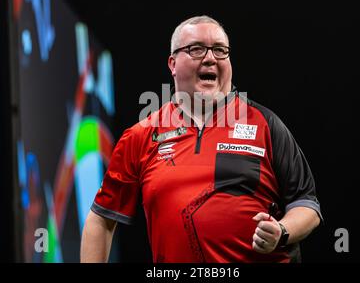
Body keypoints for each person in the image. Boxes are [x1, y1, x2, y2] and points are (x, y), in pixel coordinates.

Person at [80, 15, 322, 263]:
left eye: (220, 50)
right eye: (196, 49)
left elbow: (307, 205)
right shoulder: (141, 135)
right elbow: (101, 219)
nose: (210, 58)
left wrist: (281, 231)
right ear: (172, 64)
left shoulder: (266, 124)